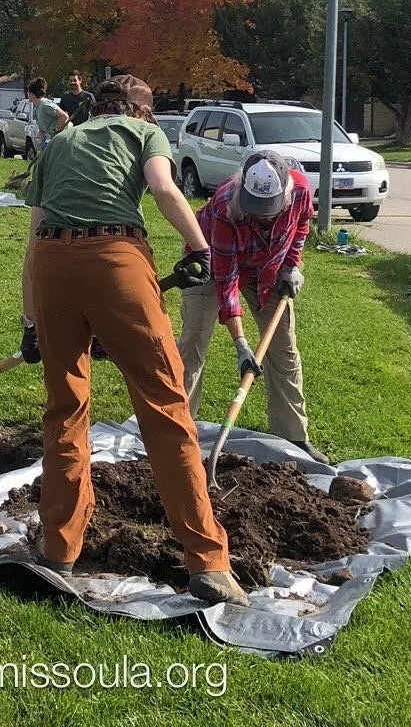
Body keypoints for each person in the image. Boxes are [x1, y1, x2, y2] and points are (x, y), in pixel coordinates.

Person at [20, 74, 249, 606]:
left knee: (65, 408)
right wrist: (201, 250)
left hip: (54, 268)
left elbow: (34, 238)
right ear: (144, 111)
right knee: (165, 405)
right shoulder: (144, 134)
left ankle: (59, 551)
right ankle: (208, 563)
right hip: (117, 260)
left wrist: (31, 321)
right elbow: (166, 190)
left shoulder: (59, 142)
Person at [176, 150, 327, 463]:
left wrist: (292, 265)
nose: (263, 216)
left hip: (267, 270)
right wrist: (241, 344)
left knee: (283, 349)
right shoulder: (224, 208)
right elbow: (226, 279)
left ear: (285, 191)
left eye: (269, 209)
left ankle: (293, 438)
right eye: (256, 209)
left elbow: (300, 228)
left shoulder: (300, 191)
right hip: (208, 264)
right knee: (192, 345)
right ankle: (177, 435)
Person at [26, 77, 67, 145]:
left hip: (64, 140)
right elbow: (42, 131)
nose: (27, 94)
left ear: (32, 94)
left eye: (28, 92)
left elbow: (64, 116)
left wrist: (56, 131)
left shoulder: (45, 105)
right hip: (53, 142)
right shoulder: (36, 109)